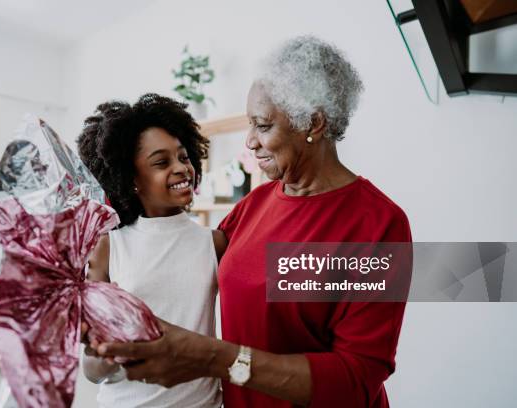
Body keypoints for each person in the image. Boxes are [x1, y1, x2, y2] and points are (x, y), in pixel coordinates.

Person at [93, 35, 412, 408]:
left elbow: (355, 383)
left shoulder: (378, 225)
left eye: (262, 125)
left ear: (314, 123)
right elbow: (175, 251)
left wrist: (215, 358)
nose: (250, 142)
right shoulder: (254, 206)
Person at [76, 94, 226, 408]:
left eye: (184, 157)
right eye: (161, 162)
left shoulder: (214, 243)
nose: (181, 169)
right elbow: (90, 369)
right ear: (131, 180)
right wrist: (107, 355)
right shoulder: (108, 246)